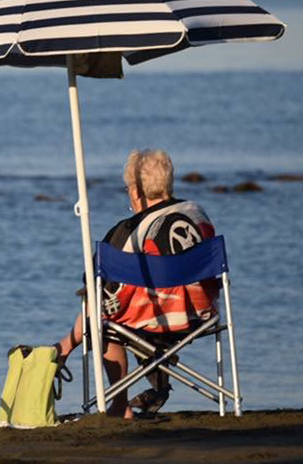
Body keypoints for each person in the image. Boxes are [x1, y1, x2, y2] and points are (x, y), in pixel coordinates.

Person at [54, 149, 218, 419]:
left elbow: (96, 283)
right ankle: (177, 387)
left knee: (100, 315)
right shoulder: (198, 214)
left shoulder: (129, 231)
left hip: (153, 322)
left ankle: (118, 403)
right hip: (200, 315)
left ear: (135, 191)